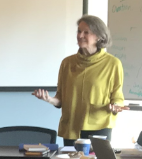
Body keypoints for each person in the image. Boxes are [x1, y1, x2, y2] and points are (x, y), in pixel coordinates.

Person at [32, 15, 128, 146]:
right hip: (72, 128)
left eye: (86, 32)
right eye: (79, 31)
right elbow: (60, 99)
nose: (80, 35)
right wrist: (48, 99)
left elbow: (117, 96)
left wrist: (116, 105)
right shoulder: (67, 63)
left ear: (99, 36)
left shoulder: (112, 64)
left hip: (99, 127)